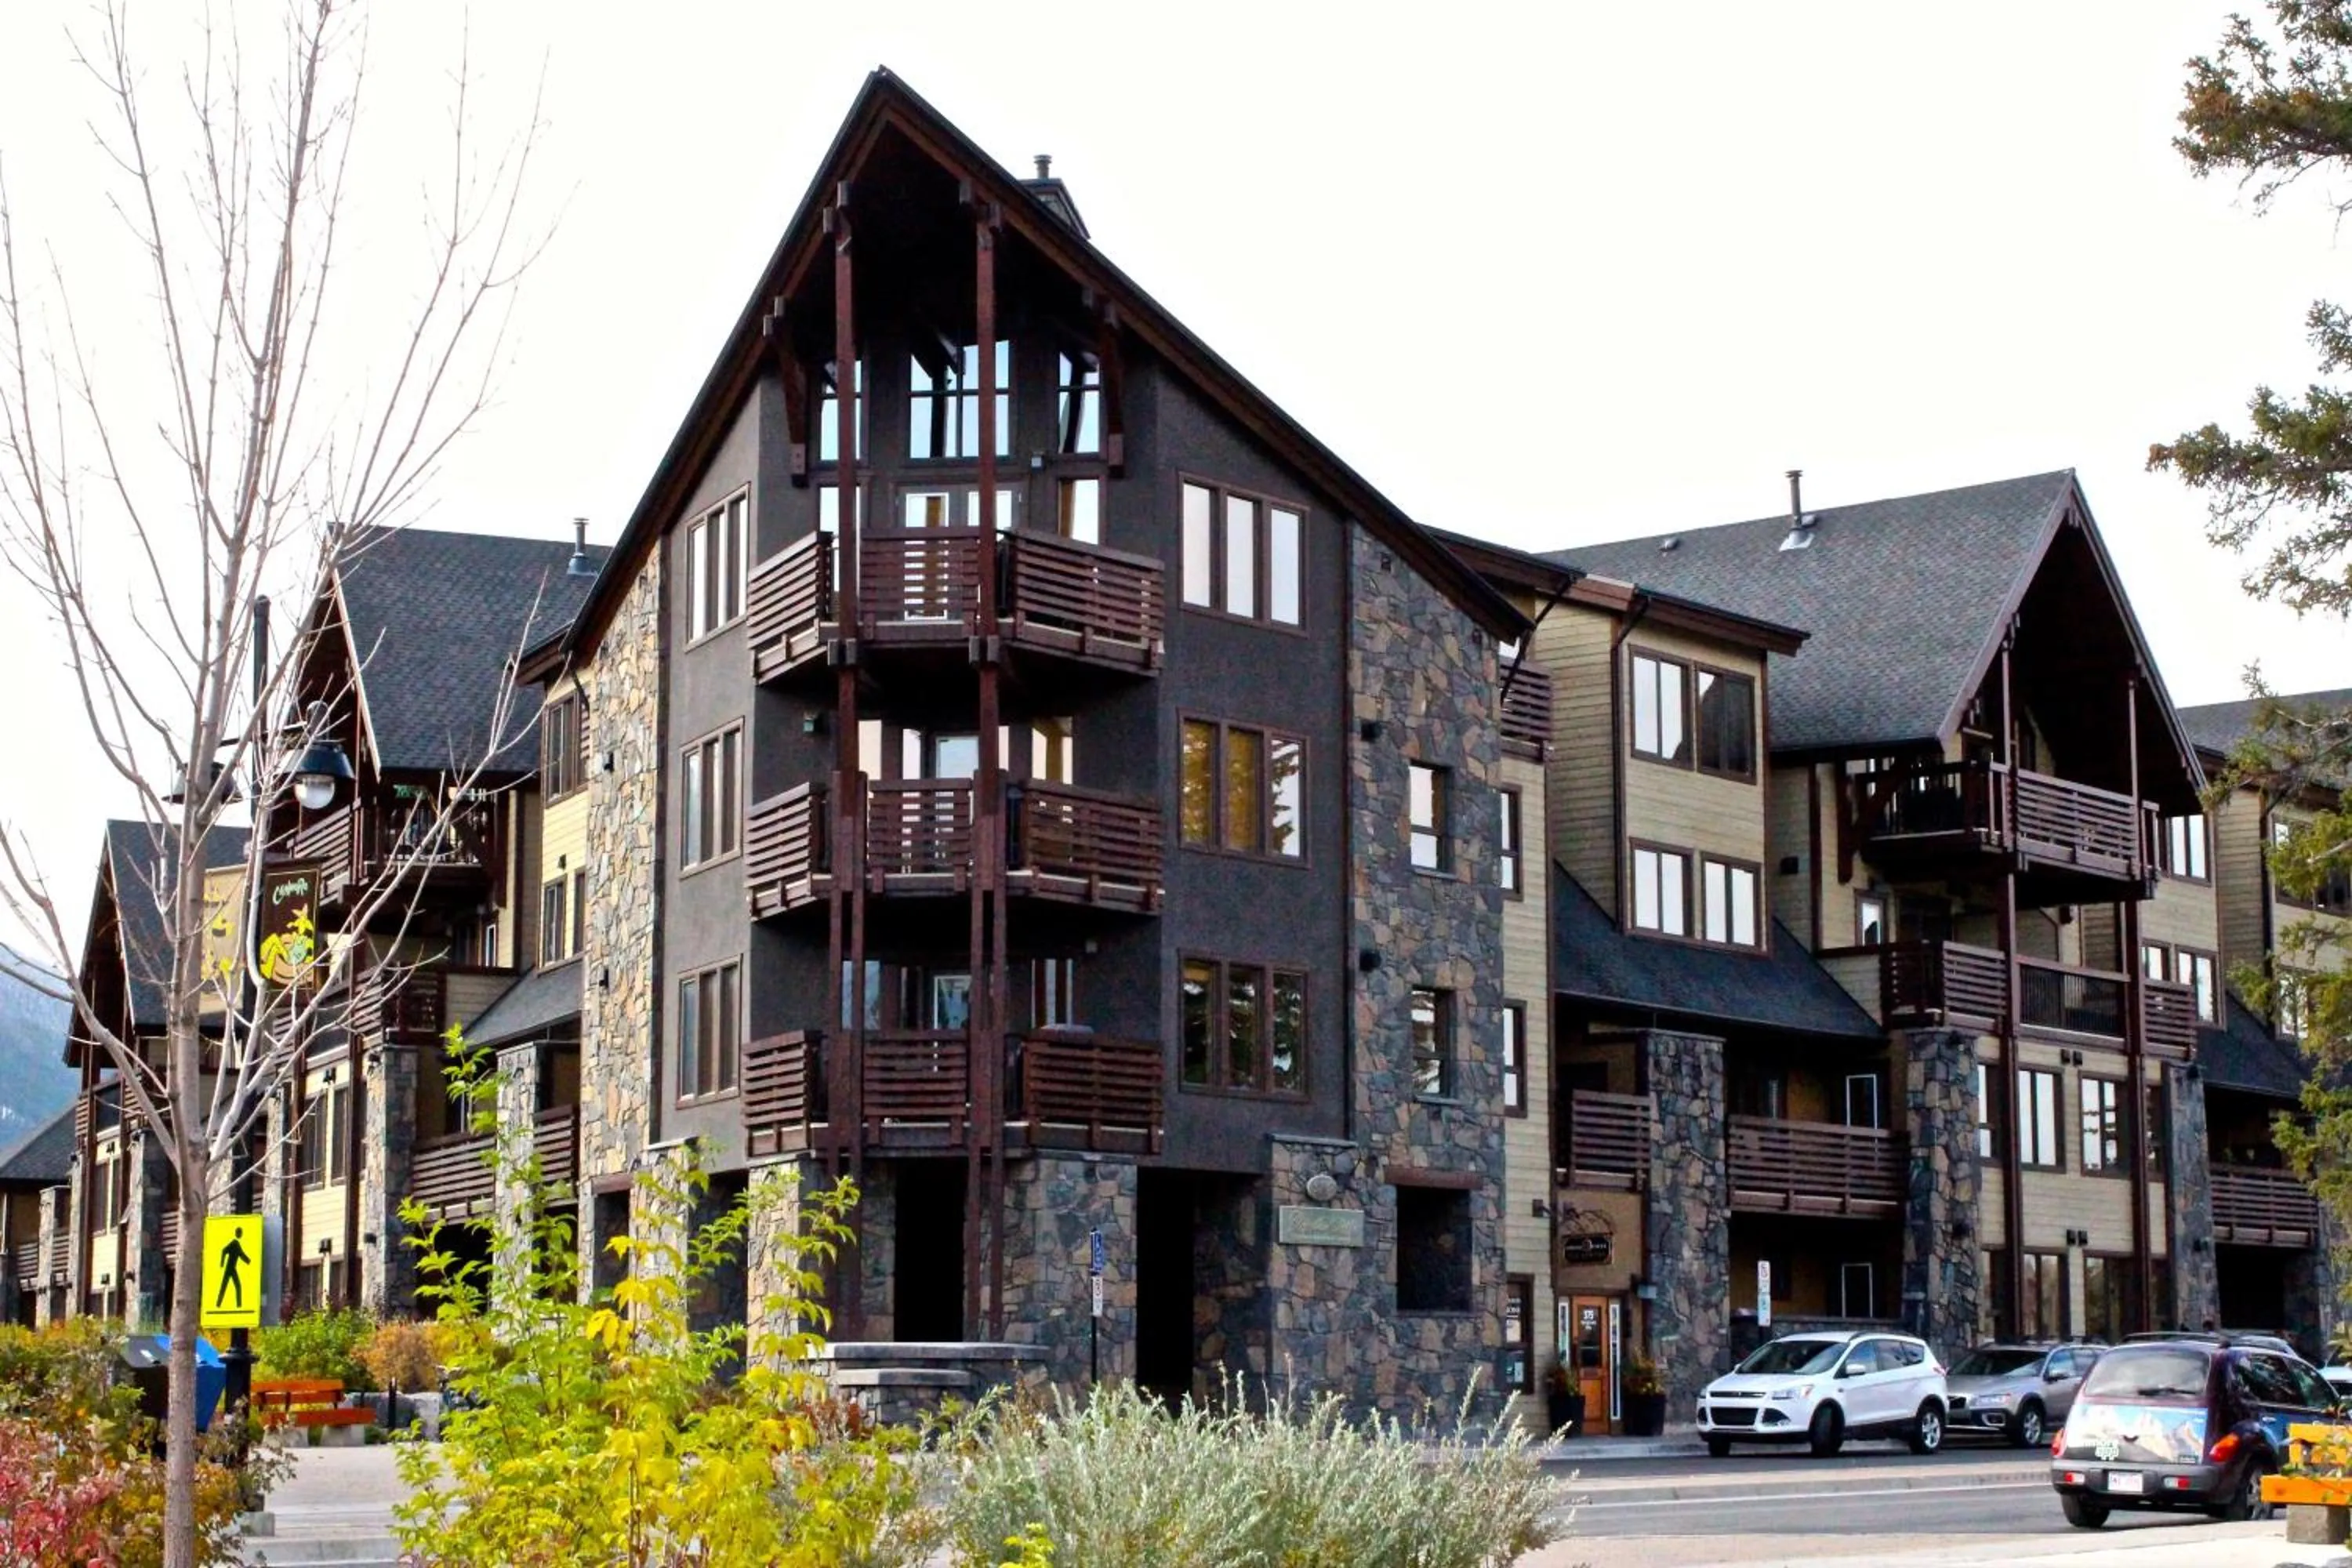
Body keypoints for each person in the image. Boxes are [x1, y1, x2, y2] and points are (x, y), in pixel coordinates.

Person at [215, 1229, 251, 1310]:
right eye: (240, 1233)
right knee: (227, 1287)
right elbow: (224, 1250)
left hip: (232, 1268)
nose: (241, 1234)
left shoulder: (237, 1244)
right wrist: (222, 1263)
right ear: (238, 1234)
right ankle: (220, 1305)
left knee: (235, 1286)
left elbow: (241, 1254)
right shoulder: (234, 1243)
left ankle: (238, 1306)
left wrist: (248, 1261)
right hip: (229, 1268)